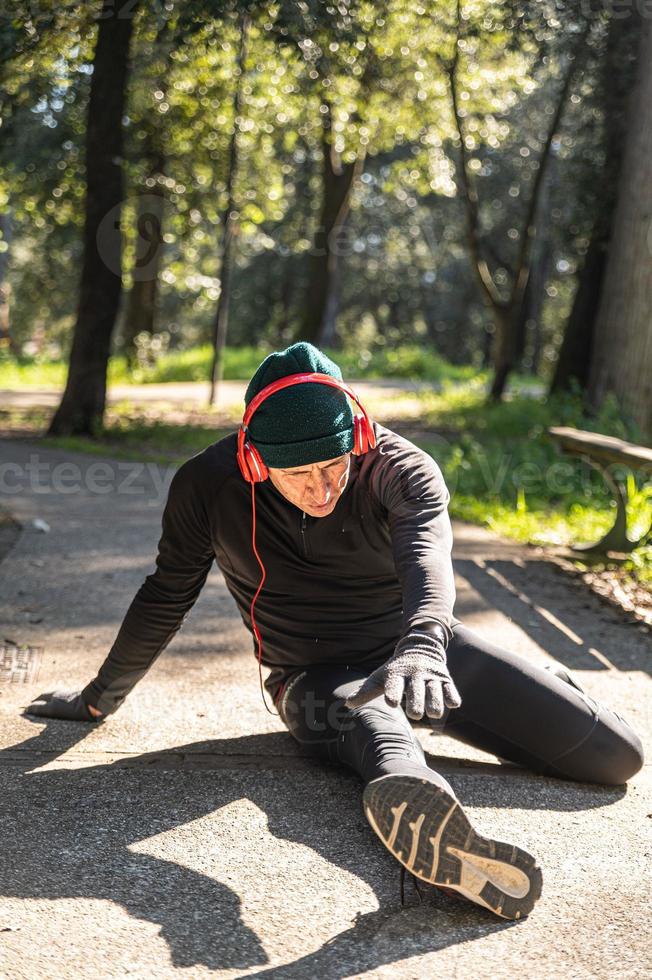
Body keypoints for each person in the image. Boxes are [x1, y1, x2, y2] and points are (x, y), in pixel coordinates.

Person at [27, 342, 644, 921]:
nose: (323, 488)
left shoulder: (402, 470)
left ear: (360, 435)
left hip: (421, 652)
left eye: (334, 463)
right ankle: (444, 837)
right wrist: (96, 697)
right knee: (373, 725)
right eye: (298, 473)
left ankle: (537, 690)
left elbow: (427, 562)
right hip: (312, 675)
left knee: (615, 759)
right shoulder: (205, 486)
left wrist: (426, 645)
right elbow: (165, 595)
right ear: (253, 459)